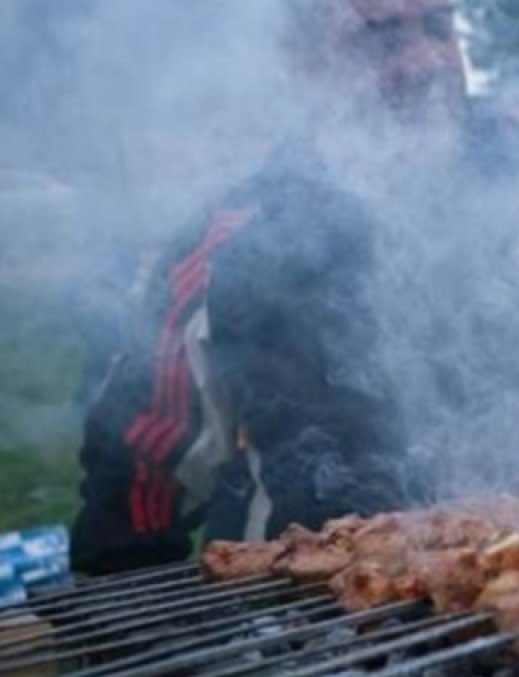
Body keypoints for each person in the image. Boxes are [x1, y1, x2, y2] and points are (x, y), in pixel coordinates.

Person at [69, 0, 470, 574]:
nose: (427, 61)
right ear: (303, 62)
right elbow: (135, 486)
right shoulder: (231, 248)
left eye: (438, 26)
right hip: (316, 636)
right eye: (379, 39)